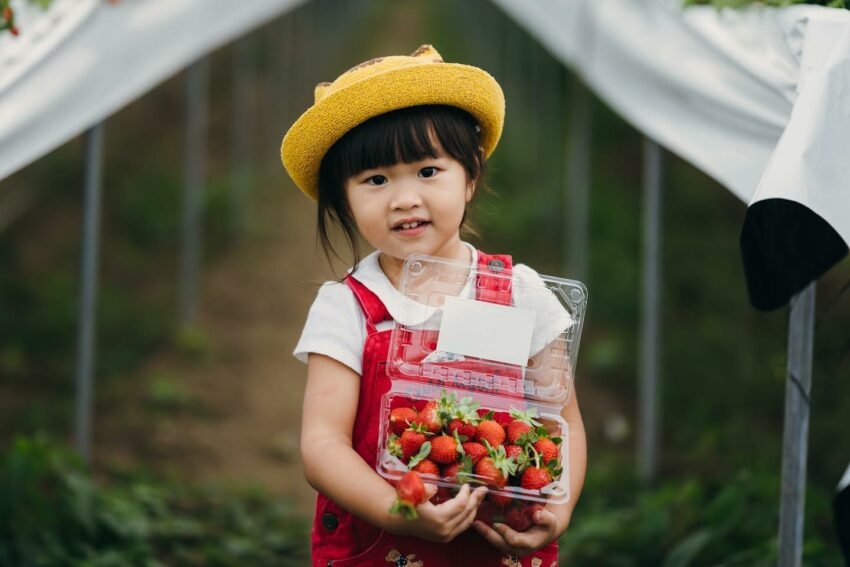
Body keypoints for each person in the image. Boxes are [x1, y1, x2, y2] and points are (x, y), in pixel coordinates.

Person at [282, 44, 586, 567]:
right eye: (375, 180)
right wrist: (396, 506)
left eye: (427, 171)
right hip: (382, 545)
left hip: (498, 545)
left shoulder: (521, 293)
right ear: (344, 200)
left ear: (470, 177)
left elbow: (563, 424)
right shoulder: (347, 308)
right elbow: (322, 444)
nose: (403, 198)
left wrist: (555, 507)